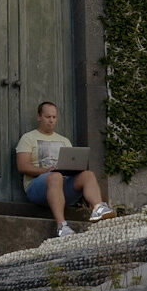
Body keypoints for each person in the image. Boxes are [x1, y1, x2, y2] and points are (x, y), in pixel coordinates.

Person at [16, 100, 115, 237]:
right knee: (55, 176)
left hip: (63, 185)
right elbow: (22, 166)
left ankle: (98, 208)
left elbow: (72, 163)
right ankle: (62, 226)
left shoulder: (64, 140)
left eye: (54, 117)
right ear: (39, 117)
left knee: (87, 175)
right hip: (37, 187)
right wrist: (47, 171)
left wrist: (74, 169)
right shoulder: (28, 138)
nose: (51, 120)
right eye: (48, 117)